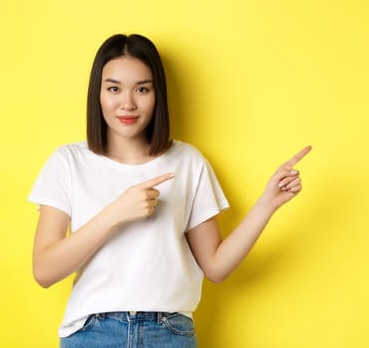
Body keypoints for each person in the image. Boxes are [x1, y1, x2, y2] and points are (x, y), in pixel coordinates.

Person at [28, 34, 311, 347]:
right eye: (113, 88)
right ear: (97, 94)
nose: (127, 103)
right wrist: (116, 213)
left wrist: (267, 203)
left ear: (157, 94)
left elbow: (216, 267)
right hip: (92, 333)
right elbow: (44, 270)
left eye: (142, 89)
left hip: (168, 333)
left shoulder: (187, 162)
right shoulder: (68, 162)